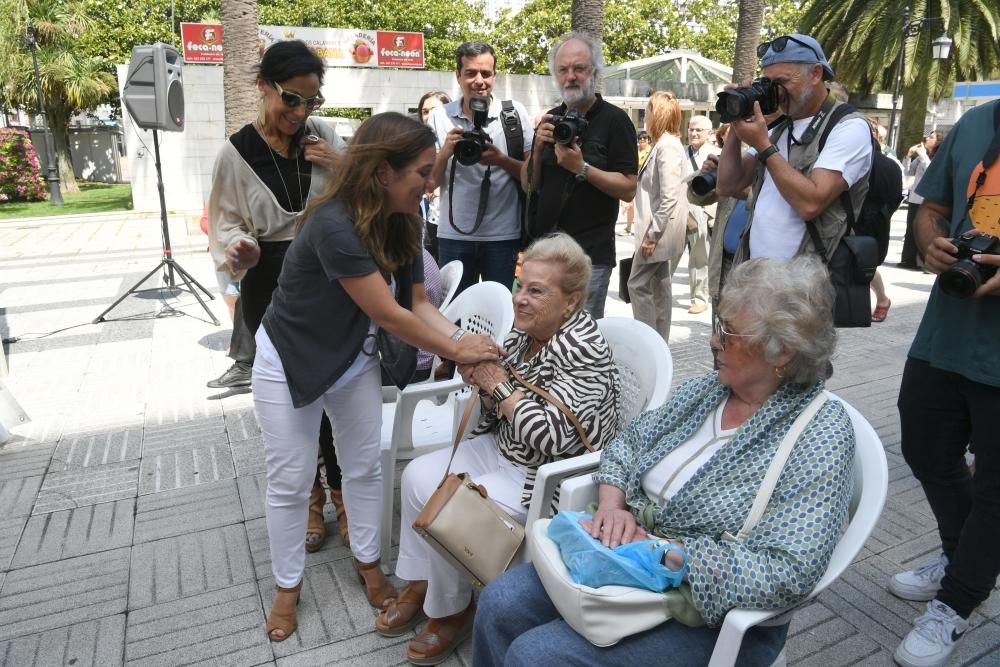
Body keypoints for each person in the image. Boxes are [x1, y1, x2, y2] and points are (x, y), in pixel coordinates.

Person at [473, 255, 856, 666]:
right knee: (499, 603)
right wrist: (612, 504)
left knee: (537, 656)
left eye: (726, 333)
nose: (713, 341)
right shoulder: (710, 390)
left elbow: (790, 570)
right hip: (621, 558)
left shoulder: (820, 433)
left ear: (781, 352)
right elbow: (629, 441)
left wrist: (668, 555)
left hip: (707, 611)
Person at [252, 112, 500, 643]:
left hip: (350, 357)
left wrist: (463, 345)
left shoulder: (403, 218)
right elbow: (390, 315)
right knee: (291, 482)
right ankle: (287, 586)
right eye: (423, 172)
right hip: (289, 358)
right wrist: (458, 349)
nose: (431, 184)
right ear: (384, 172)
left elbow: (417, 303)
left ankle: (368, 562)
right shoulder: (333, 224)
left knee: (363, 467)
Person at [375, 233, 622, 665]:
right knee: (417, 476)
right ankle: (421, 582)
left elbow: (552, 437)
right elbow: (498, 405)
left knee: (452, 504)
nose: (520, 299)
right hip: (507, 449)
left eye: (536, 291)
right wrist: (480, 377)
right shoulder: (527, 335)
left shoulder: (583, 350)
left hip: (547, 476)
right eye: (520, 285)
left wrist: (496, 383)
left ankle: (451, 611)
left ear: (571, 301)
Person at [206, 40, 350, 556]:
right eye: (291, 99)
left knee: (337, 389)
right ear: (264, 87)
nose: (300, 112)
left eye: (312, 101)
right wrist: (237, 248)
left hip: (327, 278)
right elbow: (224, 224)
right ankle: (311, 499)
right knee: (292, 398)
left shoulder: (324, 136)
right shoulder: (235, 152)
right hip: (268, 281)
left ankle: (345, 498)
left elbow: (367, 191)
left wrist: (339, 160)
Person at [891, 99, 1000, 667]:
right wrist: (930, 238)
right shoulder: (975, 124)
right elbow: (930, 207)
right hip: (948, 330)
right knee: (924, 447)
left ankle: (956, 603)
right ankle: (963, 559)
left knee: (996, 492)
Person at [716, 34, 873, 266]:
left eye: (784, 81)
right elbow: (728, 185)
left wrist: (763, 146)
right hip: (758, 275)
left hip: (806, 282)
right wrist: (735, 121)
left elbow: (811, 204)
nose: (776, 92)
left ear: (816, 74)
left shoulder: (848, 126)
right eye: (769, 84)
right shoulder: (778, 128)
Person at [525, 32, 638, 318]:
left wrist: (582, 168)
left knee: (580, 341)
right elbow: (529, 185)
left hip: (590, 257)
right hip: (545, 253)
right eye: (563, 69)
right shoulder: (551, 118)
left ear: (594, 72)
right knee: (540, 333)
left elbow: (628, 188)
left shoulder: (615, 121)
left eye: (580, 68)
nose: (571, 76)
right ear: (555, 75)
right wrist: (537, 149)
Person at [426, 42, 533, 294]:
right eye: (470, 73)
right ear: (458, 75)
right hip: (454, 234)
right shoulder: (440, 116)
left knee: (503, 309)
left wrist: (501, 160)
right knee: (454, 313)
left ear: (494, 75)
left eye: (486, 73)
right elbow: (429, 183)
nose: (479, 81)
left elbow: (533, 178)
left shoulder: (514, 114)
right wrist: (446, 153)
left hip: (503, 235)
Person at [628, 91, 688, 342]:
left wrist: (652, 234)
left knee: (637, 284)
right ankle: (658, 341)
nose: (645, 116)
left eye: (648, 111)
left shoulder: (667, 147)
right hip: (661, 232)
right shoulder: (665, 144)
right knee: (660, 287)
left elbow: (669, 195)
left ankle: (648, 341)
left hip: (658, 233)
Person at [684, 115, 719, 314]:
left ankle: (699, 297)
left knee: (699, 255)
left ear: (708, 133)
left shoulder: (716, 154)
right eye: (691, 129)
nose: (694, 133)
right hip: (679, 206)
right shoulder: (680, 152)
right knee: (669, 254)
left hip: (702, 209)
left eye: (699, 130)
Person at [899, 131, 943, 270]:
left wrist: (923, 156)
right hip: (915, 197)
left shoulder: (938, 157)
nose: (927, 139)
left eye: (931, 137)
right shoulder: (922, 157)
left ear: (938, 142)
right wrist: (909, 156)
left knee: (923, 229)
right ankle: (908, 259)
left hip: (926, 199)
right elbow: (908, 171)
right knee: (911, 229)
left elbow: (931, 172)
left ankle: (922, 261)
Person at [417, 91, 451, 261]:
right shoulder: (417, 145)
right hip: (427, 219)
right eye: (425, 111)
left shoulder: (455, 140)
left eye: (435, 110)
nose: (429, 116)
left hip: (448, 222)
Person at [620, 131, 652, 237]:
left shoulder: (651, 151)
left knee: (644, 205)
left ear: (648, 140)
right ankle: (628, 227)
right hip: (634, 180)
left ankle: (645, 229)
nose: (642, 141)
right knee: (629, 205)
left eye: (644, 139)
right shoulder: (635, 151)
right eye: (640, 139)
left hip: (646, 182)